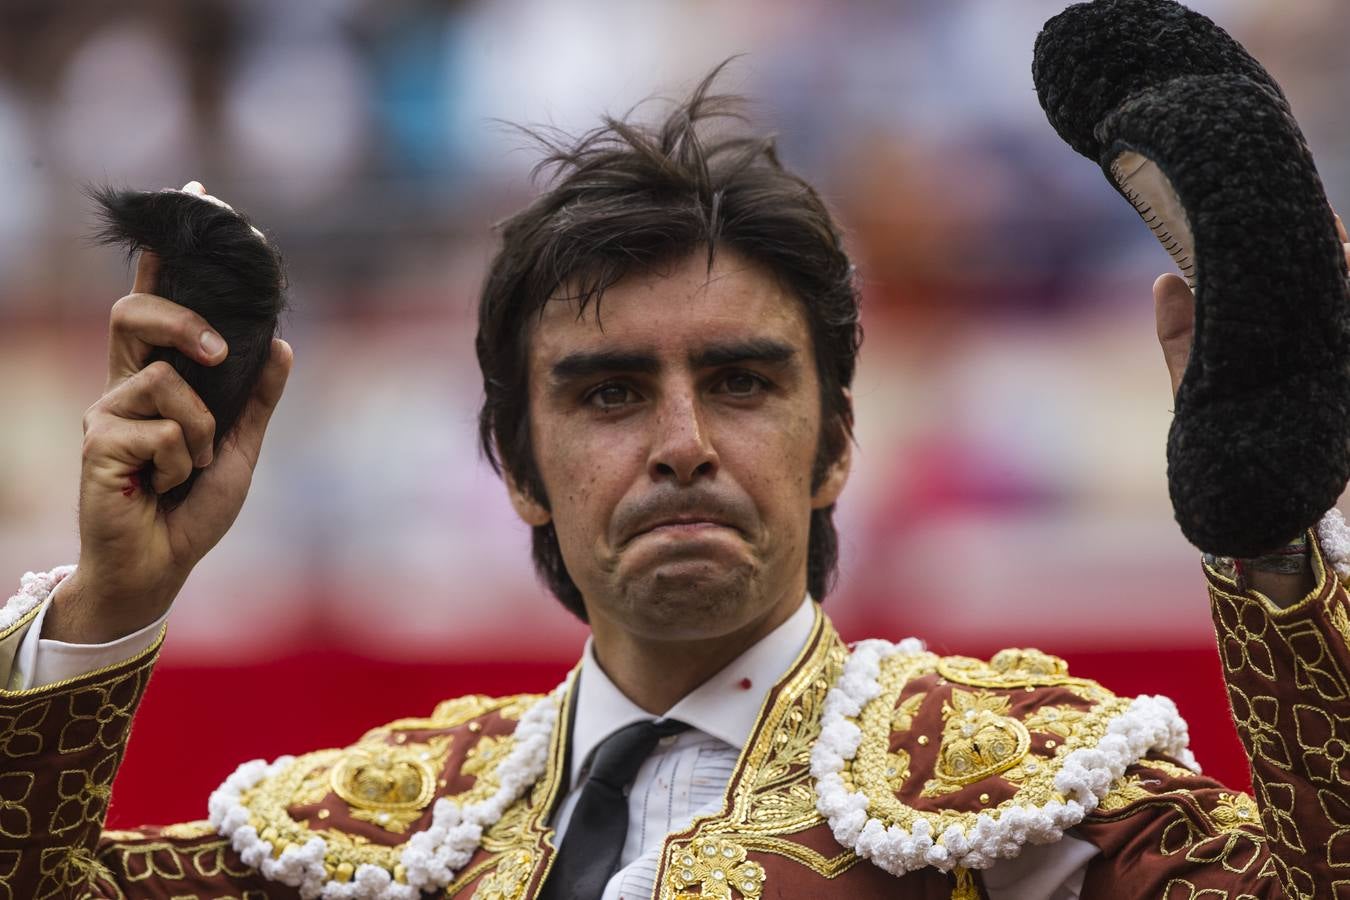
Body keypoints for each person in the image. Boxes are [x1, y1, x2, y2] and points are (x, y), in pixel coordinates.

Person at [2, 73, 1349, 900]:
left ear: (834, 445)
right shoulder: (380, 832)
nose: (683, 440)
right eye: (605, 393)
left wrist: (1272, 538)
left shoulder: (1036, 791)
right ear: (518, 471)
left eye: (745, 382)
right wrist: (114, 603)